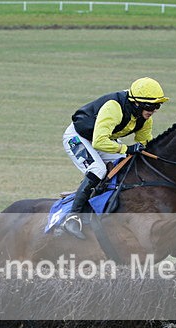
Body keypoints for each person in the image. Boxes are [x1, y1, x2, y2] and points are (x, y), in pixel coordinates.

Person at [60, 77, 169, 239]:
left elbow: (144, 144)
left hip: (102, 139)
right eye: (150, 106)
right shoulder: (114, 107)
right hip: (78, 138)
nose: (153, 110)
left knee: (126, 164)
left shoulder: (145, 119)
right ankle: (72, 217)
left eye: (157, 106)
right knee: (98, 169)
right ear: (136, 103)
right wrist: (126, 149)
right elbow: (99, 141)